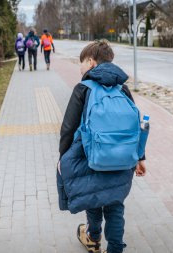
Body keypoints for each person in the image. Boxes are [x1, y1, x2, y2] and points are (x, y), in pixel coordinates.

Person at [57, 40, 147, 253]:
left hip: (93, 156)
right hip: (124, 158)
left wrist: (63, 157)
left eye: (81, 62)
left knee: (94, 198)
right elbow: (135, 128)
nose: (80, 67)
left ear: (90, 61)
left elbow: (68, 128)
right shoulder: (123, 88)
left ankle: (93, 238)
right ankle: (115, 249)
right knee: (115, 204)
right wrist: (140, 157)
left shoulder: (83, 88)